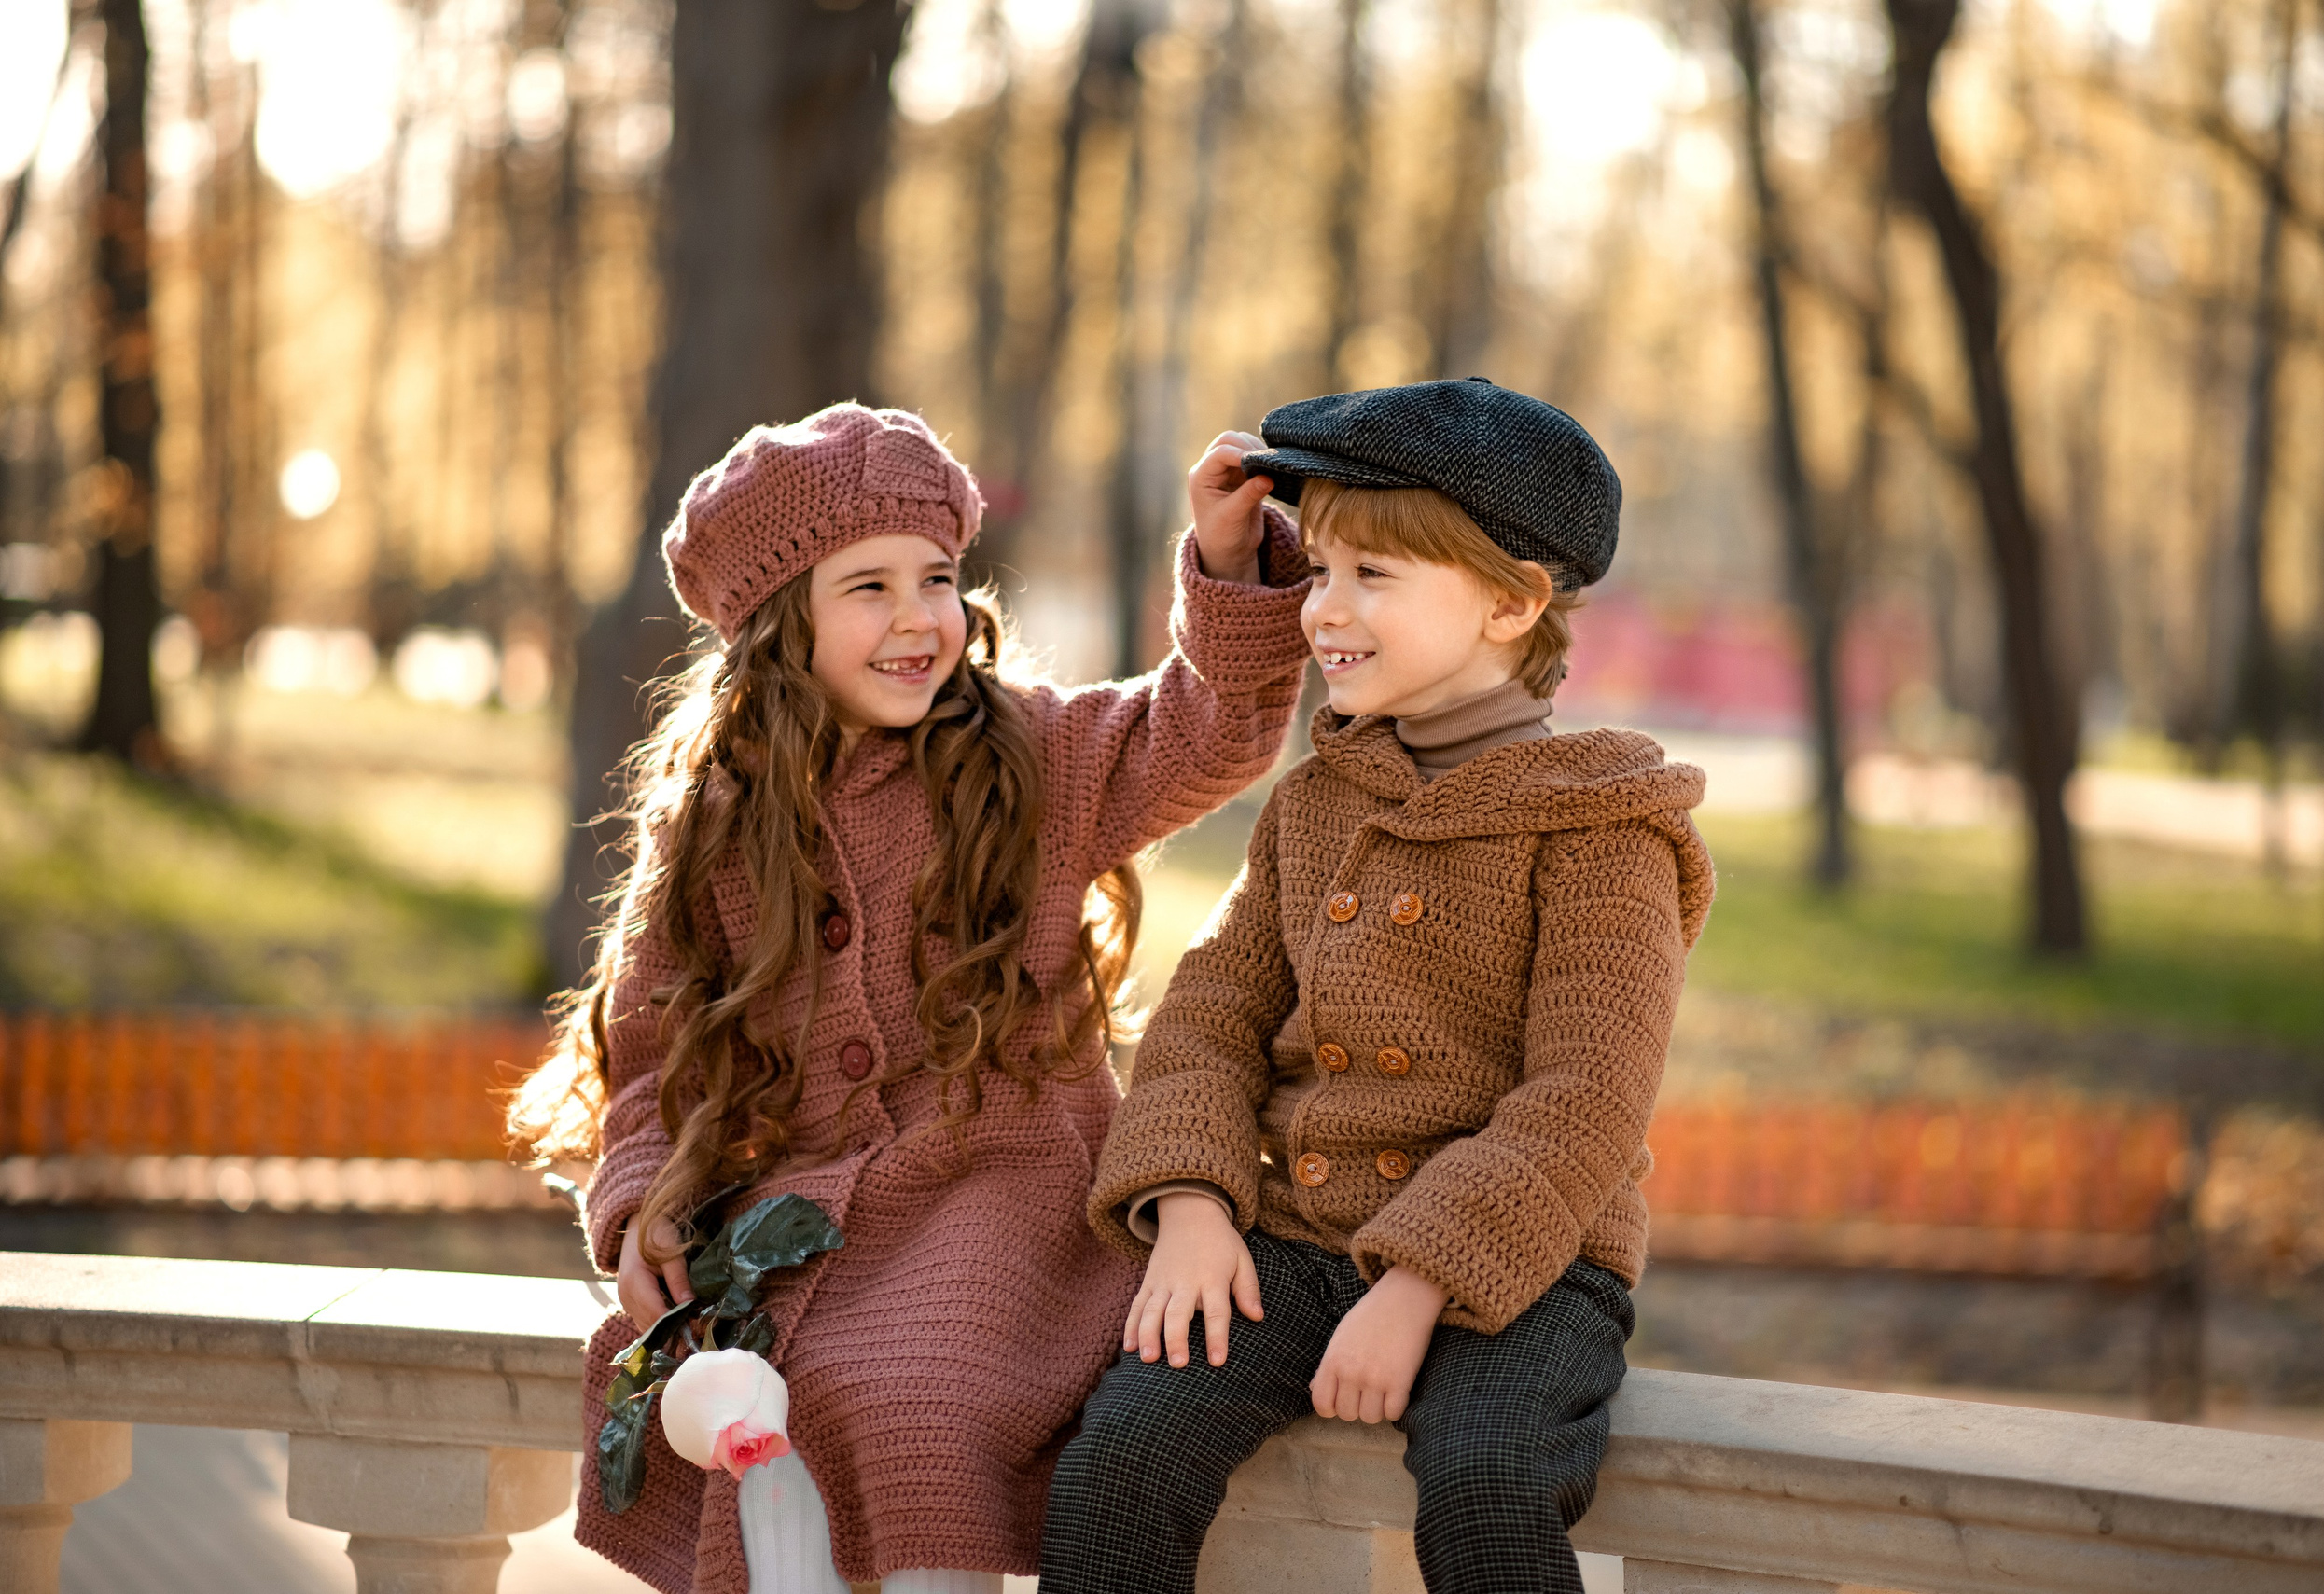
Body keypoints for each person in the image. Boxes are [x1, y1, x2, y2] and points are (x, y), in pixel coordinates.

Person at [508, 403, 1314, 1594]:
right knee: (749, 1399)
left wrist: (1229, 567)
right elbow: (649, 1032)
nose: (918, 618)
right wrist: (638, 1205)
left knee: (911, 1410)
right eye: (869, 587)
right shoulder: (716, 816)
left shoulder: (1029, 757)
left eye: (937, 579)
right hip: (800, 1201)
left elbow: (1202, 735)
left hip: (1004, 1197)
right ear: (780, 625)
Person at [1039, 379, 1717, 1594]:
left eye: (1374, 579)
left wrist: (1418, 1288)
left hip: (1529, 1255)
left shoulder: (1604, 832)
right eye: (1323, 570)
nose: (1325, 612)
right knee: (1120, 1461)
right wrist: (1191, 1200)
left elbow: (1584, 1103)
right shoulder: (1319, 802)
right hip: (1295, 1231)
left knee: (1485, 1482)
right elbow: (1210, 1014)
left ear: (1511, 604)